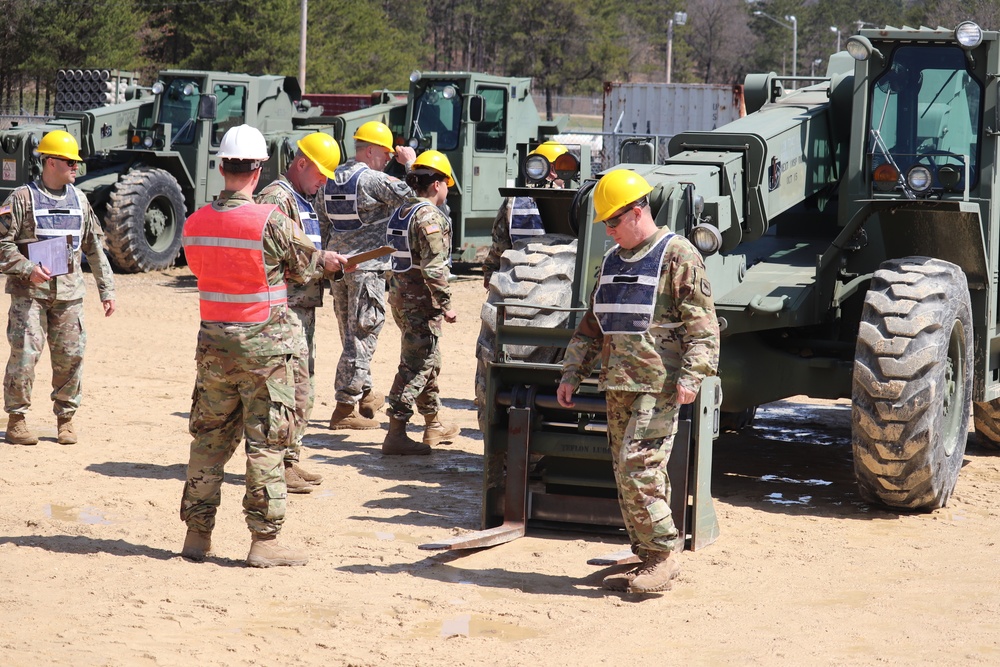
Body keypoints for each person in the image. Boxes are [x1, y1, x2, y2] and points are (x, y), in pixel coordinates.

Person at [179, 124, 349, 567]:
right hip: (266, 350)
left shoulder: (196, 223)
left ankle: (197, 536)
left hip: (214, 346)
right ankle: (264, 542)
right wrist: (329, 261)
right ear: (258, 170)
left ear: (220, 167)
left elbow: (202, 269)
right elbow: (309, 265)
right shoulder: (270, 221)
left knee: (209, 441)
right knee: (267, 444)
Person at [556, 169, 719, 594]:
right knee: (629, 471)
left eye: (613, 222)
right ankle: (648, 553)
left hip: (657, 386)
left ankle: (663, 555)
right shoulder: (612, 261)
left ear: (637, 212)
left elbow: (703, 327)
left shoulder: (677, 254)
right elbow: (593, 326)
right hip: (617, 384)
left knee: (637, 467)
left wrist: (693, 374)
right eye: (605, 225)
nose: (608, 232)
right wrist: (572, 372)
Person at [0, 129, 116, 446]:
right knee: (24, 357)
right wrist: (27, 268)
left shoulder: (80, 200)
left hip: (69, 298)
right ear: (50, 162)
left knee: (70, 358)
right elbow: (1, 243)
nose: (76, 167)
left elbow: (94, 247)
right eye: (69, 162)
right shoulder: (21, 199)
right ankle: (17, 420)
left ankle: (65, 420)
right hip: (30, 296)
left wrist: (107, 290)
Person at [255, 132, 340, 494]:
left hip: (302, 308)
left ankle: (290, 458)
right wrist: (324, 263)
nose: (323, 182)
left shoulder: (302, 199)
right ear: (301, 163)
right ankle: (278, 464)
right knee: (287, 390)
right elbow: (271, 256)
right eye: (320, 173)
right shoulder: (276, 198)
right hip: (283, 310)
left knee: (303, 387)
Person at [319, 120, 416, 431]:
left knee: (352, 336)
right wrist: (410, 164)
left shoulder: (332, 179)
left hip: (339, 268)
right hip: (368, 269)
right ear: (371, 150)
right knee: (362, 335)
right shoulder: (372, 180)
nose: (388, 159)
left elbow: (323, 223)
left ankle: (366, 395)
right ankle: (345, 406)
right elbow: (415, 199)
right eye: (385, 154)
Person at [382, 150, 460, 455]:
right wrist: (446, 303)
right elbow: (434, 267)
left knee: (429, 358)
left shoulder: (402, 212)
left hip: (401, 299)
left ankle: (433, 424)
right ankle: (396, 432)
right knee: (418, 363)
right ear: (438, 184)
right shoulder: (428, 216)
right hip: (420, 303)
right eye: (447, 184)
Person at [482, 140, 568, 288]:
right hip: (558, 281)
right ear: (553, 169)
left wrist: (490, 272)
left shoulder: (513, 200)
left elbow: (500, 245)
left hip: (516, 279)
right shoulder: (569, 200)